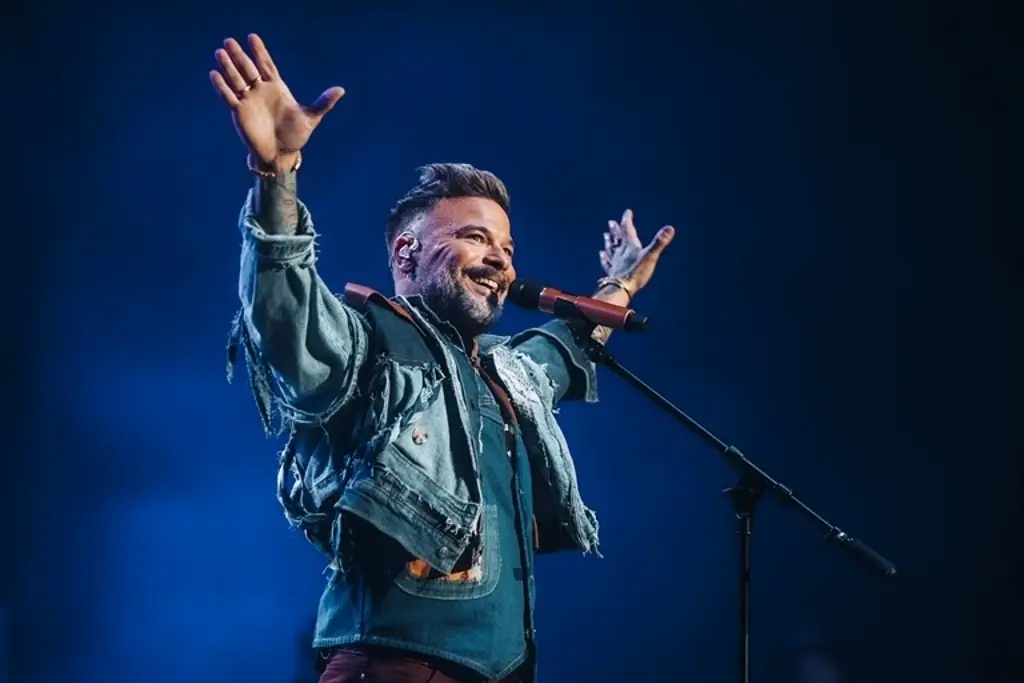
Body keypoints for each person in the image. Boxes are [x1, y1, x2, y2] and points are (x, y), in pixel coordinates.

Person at [211, 33, 675, 683]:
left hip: (503, 670)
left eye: (507, 247)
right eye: (474, 236)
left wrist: (618, 288)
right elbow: (287, 317)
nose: (500, 259)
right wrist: (277, 175)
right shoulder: (371, 339)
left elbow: (567, 346)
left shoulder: (507, 370)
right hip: (398, 664)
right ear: (405, 254)